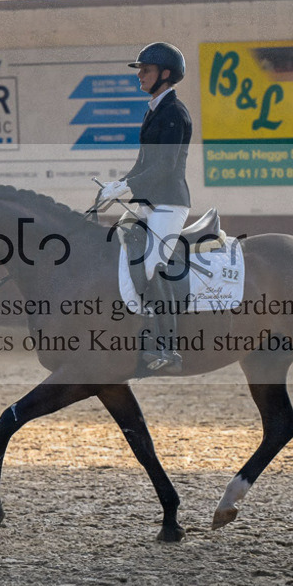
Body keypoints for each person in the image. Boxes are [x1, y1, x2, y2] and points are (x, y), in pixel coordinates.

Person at [98, 42, 192, 373]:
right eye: (140, 70)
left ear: (165, 75)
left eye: (145, 70)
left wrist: (126, 187)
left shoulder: (174, 113)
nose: (139, 75)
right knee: (116, 246)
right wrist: (118, 185)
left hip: (169, 204)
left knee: (152, 264)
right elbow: (143, 163)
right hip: (147, 202)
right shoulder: (153, 110)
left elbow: (165, 167)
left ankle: (167, 348)